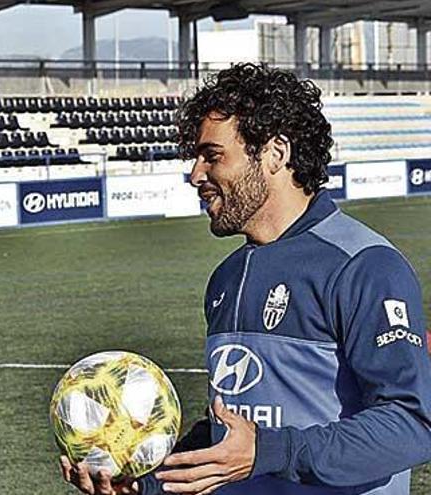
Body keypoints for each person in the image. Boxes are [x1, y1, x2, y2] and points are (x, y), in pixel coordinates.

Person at [61, 63, 431, 494]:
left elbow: (411, 423)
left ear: (276, 153)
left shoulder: (363, 265)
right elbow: (229, 429)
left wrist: (273, 451)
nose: (196, 174)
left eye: (212, 156)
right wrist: (146, 485)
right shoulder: (226, 278)